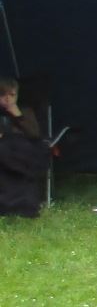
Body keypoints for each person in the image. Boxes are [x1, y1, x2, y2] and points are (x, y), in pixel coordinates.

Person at [0, 77, 51, 218]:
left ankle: (22, 203)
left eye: (12, 95)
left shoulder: (25, 111)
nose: (8, 99)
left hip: (26, 150)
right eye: (3, 95)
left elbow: (34, 134)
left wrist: (16, 114)